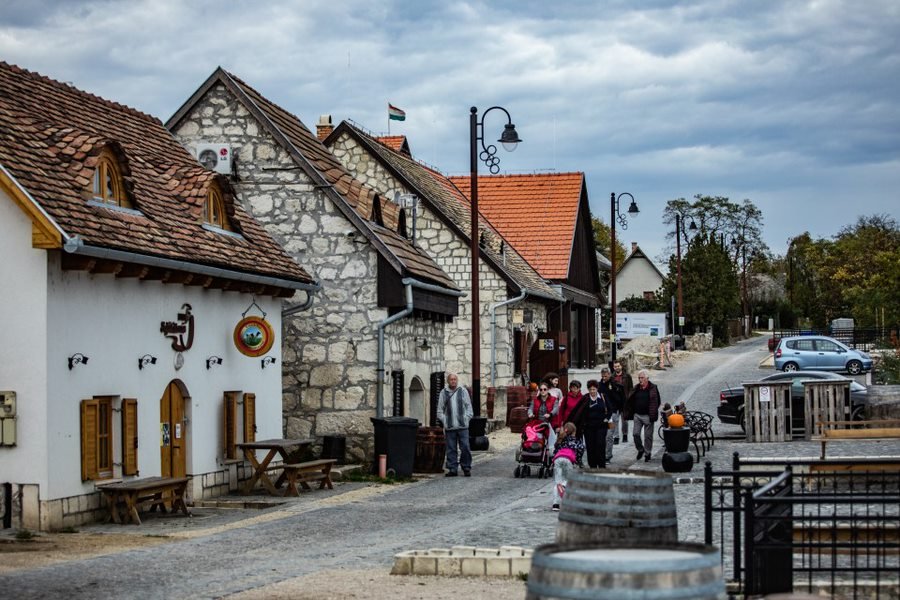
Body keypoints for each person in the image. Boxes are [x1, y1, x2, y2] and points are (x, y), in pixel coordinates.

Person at [436, 372, 474, 477]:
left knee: (465, 447)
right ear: (448, 381)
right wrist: (446, 421)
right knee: (451, 449)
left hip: (463, 426)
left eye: (455, 379)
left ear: (457, 381)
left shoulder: (463, 391)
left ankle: (466, 467)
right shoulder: (443, 393)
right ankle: (452, 468)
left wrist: (466, 419)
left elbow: (468, 407)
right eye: (451, 379)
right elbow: (440, 411)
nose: (453, 381)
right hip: (450, 427)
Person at [625, 369, 661, 462]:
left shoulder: (653, 388)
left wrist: (653, 412)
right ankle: (640, 450)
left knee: (648, 437)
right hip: (637, 415)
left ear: (647, 379)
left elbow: (658, 401)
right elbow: (630, 399)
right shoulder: (636, 388)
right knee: (635, 434)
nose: (640, 380)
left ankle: (647, 453)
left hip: (648, 416)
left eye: (642, 378)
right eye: (639, 378)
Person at [551, 421, 585, 512]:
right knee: (567, 480)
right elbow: (581, 449)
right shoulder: (577, 441)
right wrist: (578, 461)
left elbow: (555, 451)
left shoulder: (560, 440)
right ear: (574, 431)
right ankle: (565, 488)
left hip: (558, 460)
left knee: (557, 482)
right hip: (568, 461)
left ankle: (555, 504)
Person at [582, 379, 611, 468]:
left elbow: (610, 409)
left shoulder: (603, 397)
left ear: (597, 389)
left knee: (600, 445)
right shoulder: (585, 398)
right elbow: (581, 412)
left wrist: (607, 418)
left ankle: (602, 465)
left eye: (594, 389)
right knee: (590, 447)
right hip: (589, 427)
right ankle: (592, 466)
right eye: (590, 389)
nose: (592, 391)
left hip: (601, 426)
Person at [529, 382, 559, 448]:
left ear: (548, 390)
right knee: (533, 435)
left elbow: (556, 409)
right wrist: (530, 413)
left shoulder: (554, 399)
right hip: (538, 423)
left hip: (550, 423)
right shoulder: (535, 400)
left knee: (551, 443)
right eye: (541, 389)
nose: (543, 391)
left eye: (545, 389)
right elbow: (530, 408)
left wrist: (550, 414)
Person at [611, 360, 634, 443]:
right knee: (614, 420)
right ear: (613, 367)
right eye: (615, 366)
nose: (617, 367)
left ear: (621, 366)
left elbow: (631, 388)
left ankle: (625, 435)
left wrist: (629, 398)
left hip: (624, 401)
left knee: (625, 420)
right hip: (615, 402)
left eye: (618, 366)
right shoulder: (611, 377)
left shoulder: (627, 376)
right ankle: (616, 437)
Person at [599, 367, 618, 463]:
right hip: (602, 413)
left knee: (609, 435)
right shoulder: (599, 385)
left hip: (613, 413)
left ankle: (608, 455)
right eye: (602, 376)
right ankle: (602, 453)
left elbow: (618, 398)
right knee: (602, 435)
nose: (604, 378)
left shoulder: (614, 384)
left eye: (605, 376)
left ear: (609, 375)